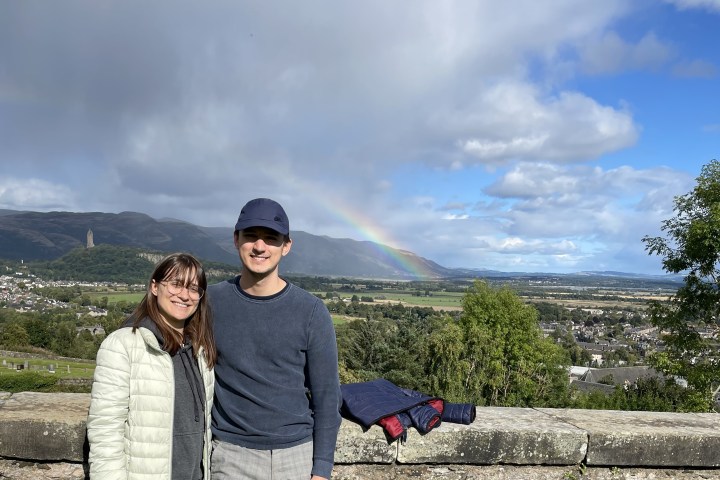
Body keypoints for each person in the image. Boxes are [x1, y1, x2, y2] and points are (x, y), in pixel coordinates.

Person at [209, 198, 342, 480]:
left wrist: (321, 470)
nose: (260, 246)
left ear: (286, 246)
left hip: (296, 456)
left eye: (271, 238)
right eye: (251, 236)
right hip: (231, 456)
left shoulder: (311, 311)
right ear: (236, 240)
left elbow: (327, 398)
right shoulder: (211, 302)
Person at [87, 252, 216, 480]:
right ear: (154, 287)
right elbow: (105, 430)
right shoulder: (123, 345)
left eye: (194, 288)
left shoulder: (200, 351)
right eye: (176, 284)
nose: (184, 295)